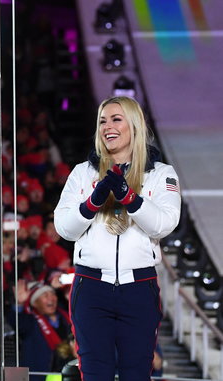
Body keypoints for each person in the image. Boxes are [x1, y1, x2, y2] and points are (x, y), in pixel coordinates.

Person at [54, 96, 181, 380]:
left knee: (136, 375)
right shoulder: (81, 173)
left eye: (115, 119)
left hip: (139, 289)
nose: (107, 126)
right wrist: (92, 202)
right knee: (95, 374)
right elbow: (64, 228)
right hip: (91, 288)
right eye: (102, 121)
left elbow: (164, 224)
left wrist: (129, 198)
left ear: (134, 125)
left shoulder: (161, 174)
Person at [9, 280, 71, 381]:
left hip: (67, 374)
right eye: (45, 295)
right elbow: (15, 321)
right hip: (39, 376)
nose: (51, 298)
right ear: (35, 303)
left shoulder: (67, 317)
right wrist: (19, 303)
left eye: (52, 294)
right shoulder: (30, 322)